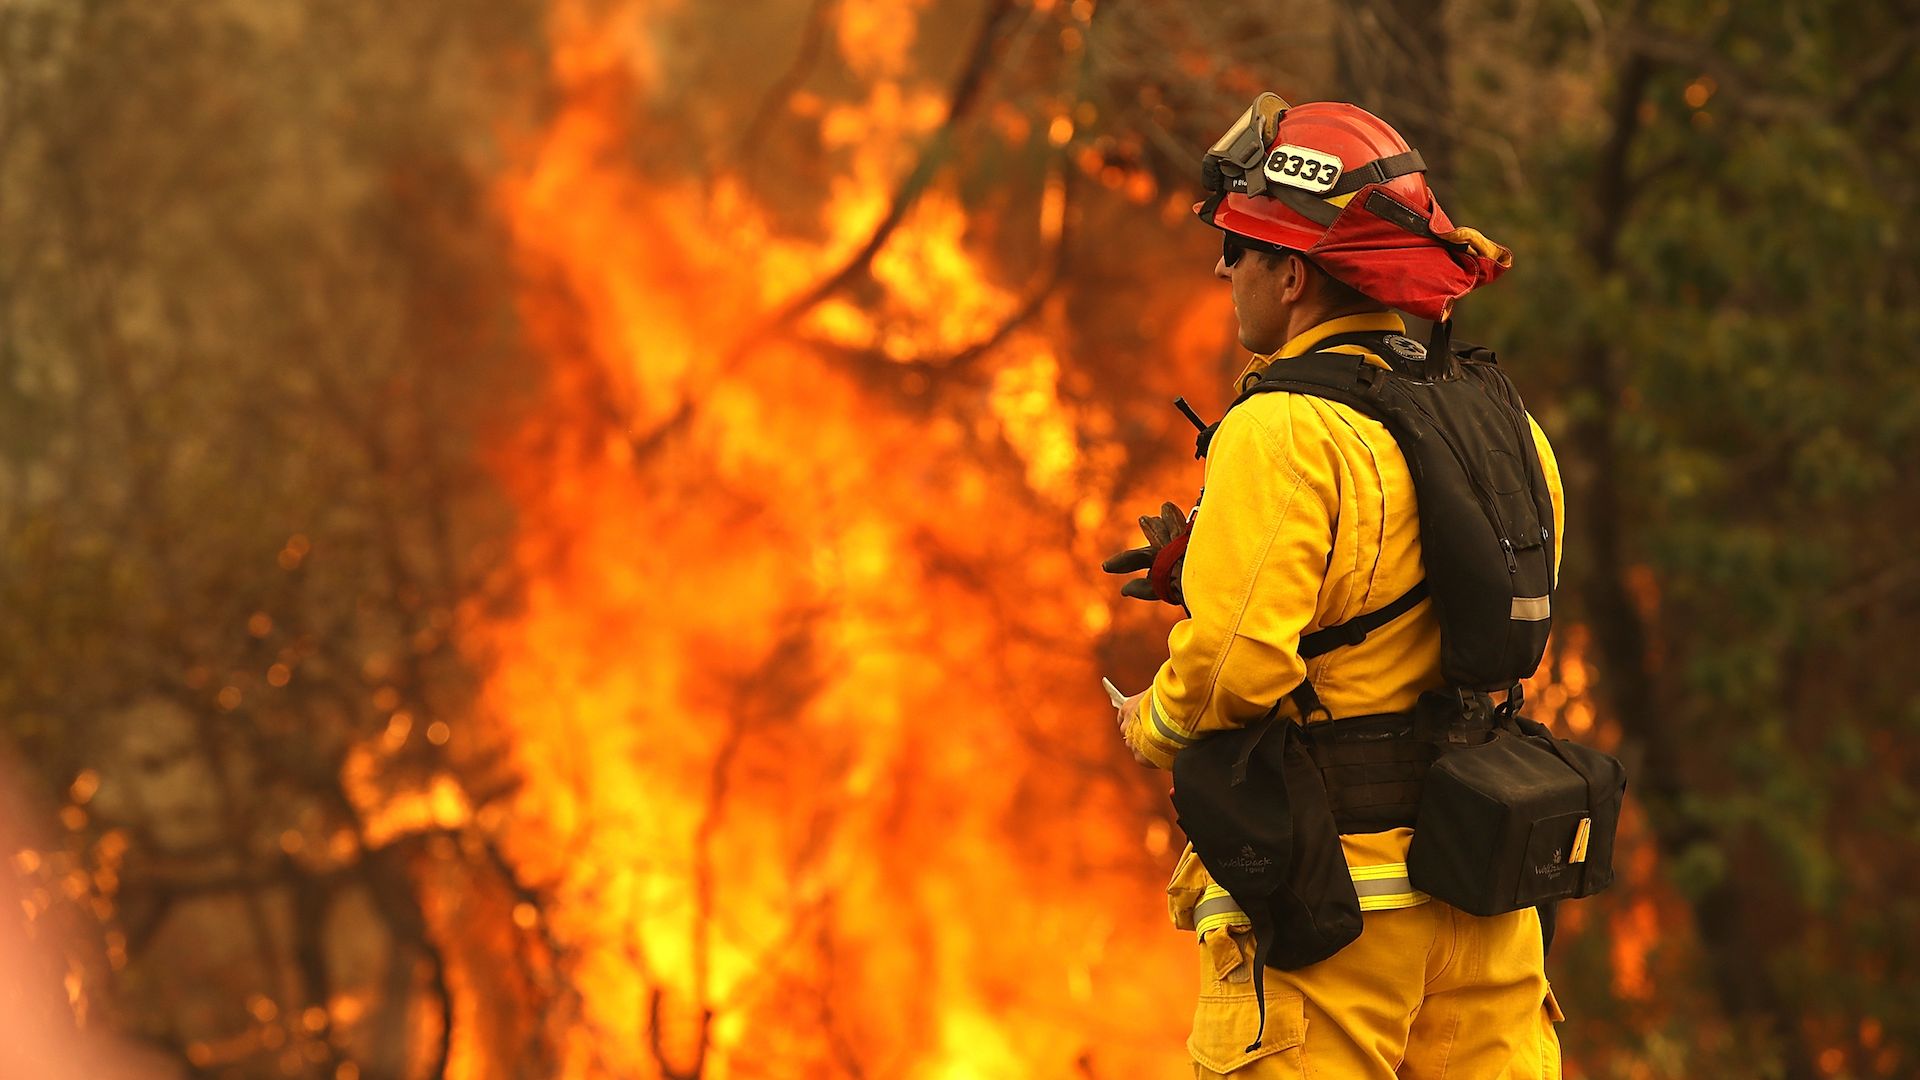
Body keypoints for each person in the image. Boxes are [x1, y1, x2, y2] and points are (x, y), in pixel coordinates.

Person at [1104, 97, 1568, 1078]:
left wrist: (1151, 722)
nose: (1223, 269)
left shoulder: (1282, 431)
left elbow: (1236, 669)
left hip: (1340, 914)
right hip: (1485, 898)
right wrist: (1212, 563)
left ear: (1294, 273)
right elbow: (1444, 592)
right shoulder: (1504, 424)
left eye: (1240, 246)